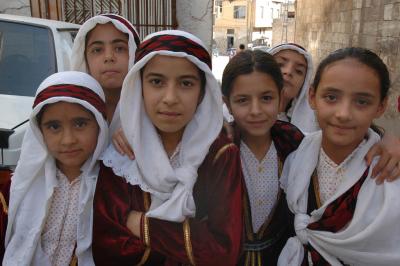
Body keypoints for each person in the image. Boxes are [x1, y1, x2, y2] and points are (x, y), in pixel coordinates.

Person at [92, 30, 243, 265]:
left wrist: (140, 225)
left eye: (185, 83)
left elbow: (222, 251)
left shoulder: (219, 154)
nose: (170, 97)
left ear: (202, 92)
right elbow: (108, 247)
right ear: (139, 87)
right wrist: (189, 237)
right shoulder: (122, 153)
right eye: (157, 82)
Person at [278, 47, 400, 265]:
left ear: (381, 106)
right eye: (331, 97)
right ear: (312, 96)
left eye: (362, 102)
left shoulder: (390, 172)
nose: (343, 114)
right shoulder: (294, 153)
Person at [3, 71, 108, 265]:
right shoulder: (16, 188)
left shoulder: (114, 190)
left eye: (80, 123)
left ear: (100, 125)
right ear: (39, 130)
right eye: (54, 127)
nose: (68, 140)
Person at [222, 49, 304, 265]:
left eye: (266, 98)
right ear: (227, 103)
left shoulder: (294, 143)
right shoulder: (217, 147)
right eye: (242, 100)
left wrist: (383, 137)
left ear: (280, 98)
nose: (256, 110)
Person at [71, 14, 140, 135]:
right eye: (97, 50)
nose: (109, 57)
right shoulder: (69, 108)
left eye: (119, 48)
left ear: (134, 53)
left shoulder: (151, 111)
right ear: (85, 59)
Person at [269, 43, 318, 133]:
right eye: (280, 65)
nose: (288, 71)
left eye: (298, 71)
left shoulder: (309, 136)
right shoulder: (238, 122)